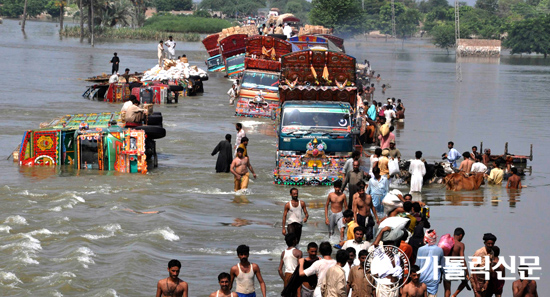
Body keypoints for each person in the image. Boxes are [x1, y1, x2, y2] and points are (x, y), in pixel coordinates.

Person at [416, 229, 444, 297]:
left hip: (422, 278)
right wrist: (441, 277)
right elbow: (441, 266)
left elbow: (418, 265)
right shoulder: (439, 250)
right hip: (434, 279)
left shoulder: (420, 249)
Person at [443, 228, 470, 297]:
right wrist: (467, 272)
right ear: (461, 235)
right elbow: (462, 259)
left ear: (454, 234)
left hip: (447, 267)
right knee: (465, 281)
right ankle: (454, 295)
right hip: (456, 267)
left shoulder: (447, 243)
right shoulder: (460, 244)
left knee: (447, 289)